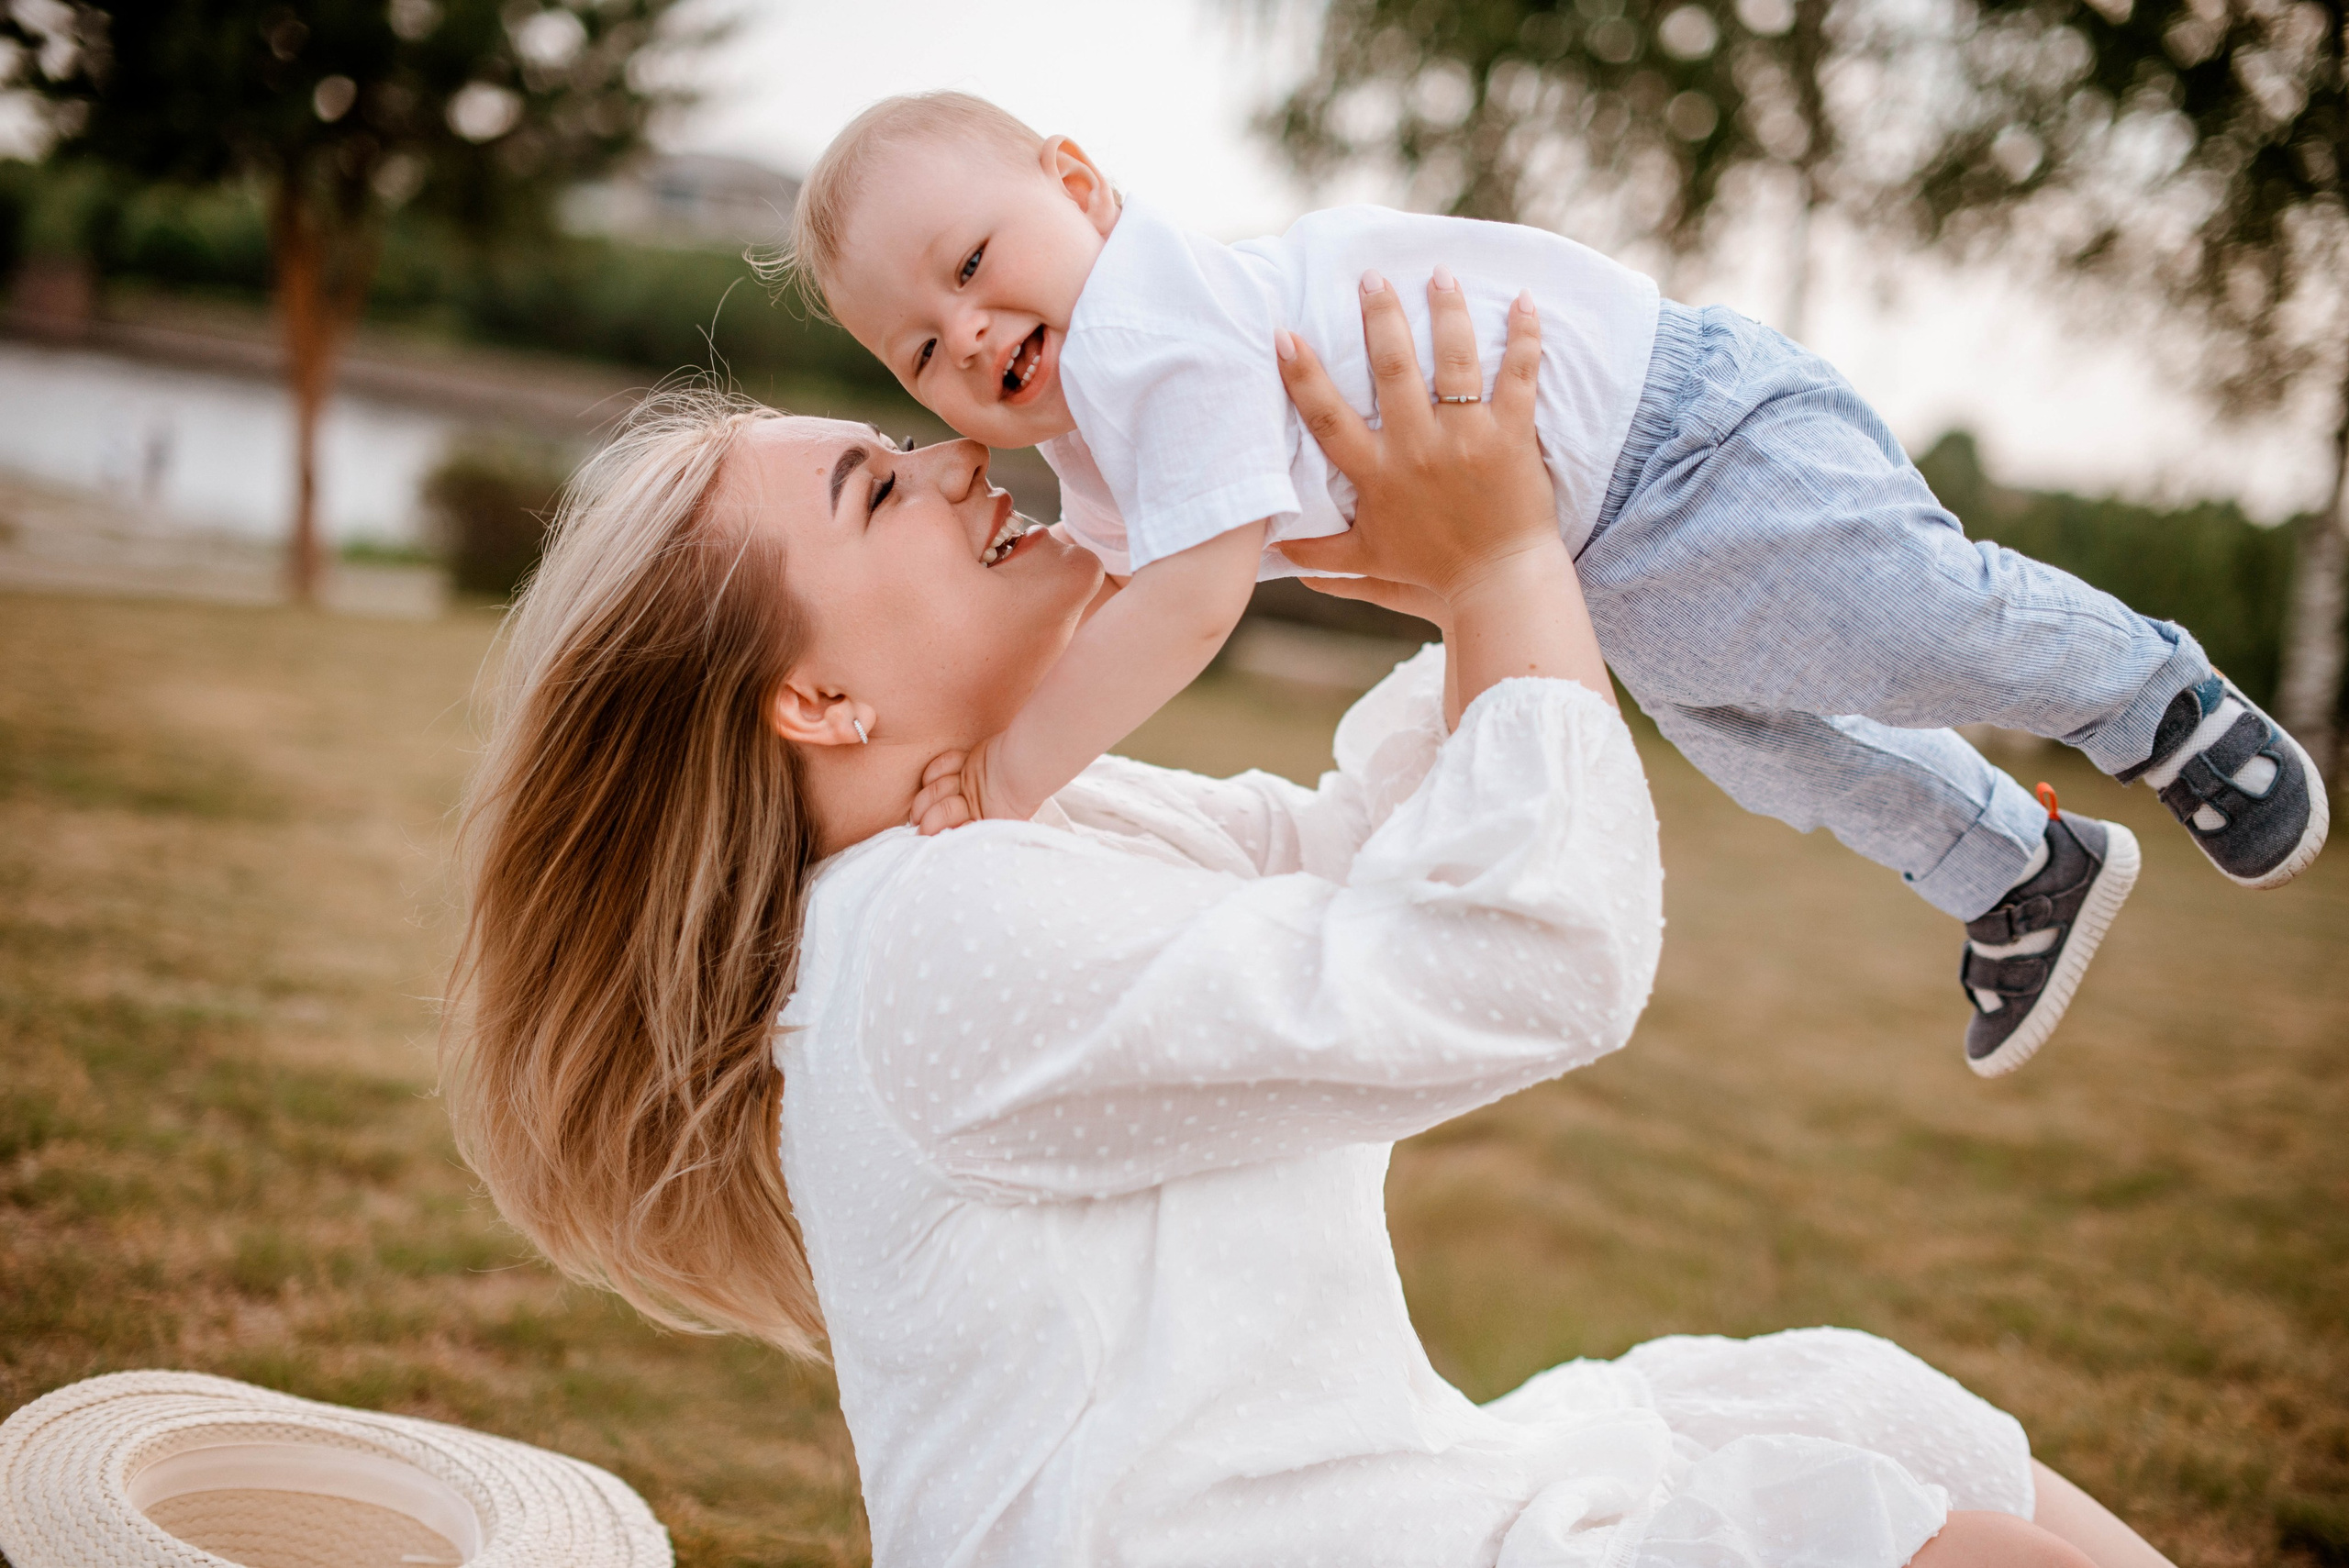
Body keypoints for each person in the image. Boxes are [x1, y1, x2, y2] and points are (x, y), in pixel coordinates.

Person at [441, 275, 2175, 1568]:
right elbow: (1522, 960)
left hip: (1380, 1505)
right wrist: (1511, 585)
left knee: (1861, 1407)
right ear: (814, 699)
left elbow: (1356, 855)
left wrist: (1499, 556)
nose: (960, 458)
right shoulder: (925, 935)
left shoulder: (1015, 828)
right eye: (877, 491)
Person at [782, 90, 2329, 1078]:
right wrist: (964, 720)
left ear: (1081, 184)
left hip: (1679, 438)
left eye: (977, 262)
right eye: (922, 349)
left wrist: (1003, 777)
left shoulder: (1145, 328)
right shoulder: (1112, 431)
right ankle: (2015, 871)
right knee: (1752, 736)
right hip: (1600, 535)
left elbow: (1182, 608)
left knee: (1904, 620)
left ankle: (2160, 700)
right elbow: (1093, 582)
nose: (971, 333)